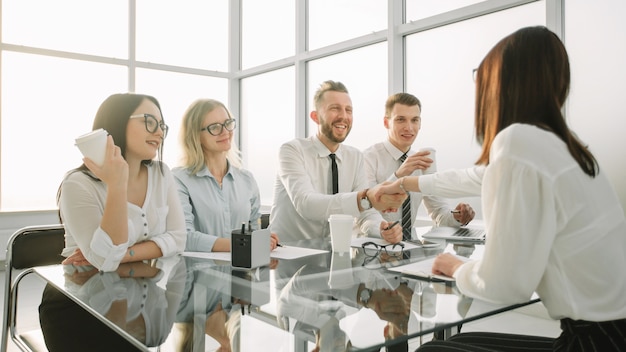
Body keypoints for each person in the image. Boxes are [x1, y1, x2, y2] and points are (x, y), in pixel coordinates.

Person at [375, 26, 626, 351]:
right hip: (611, 333)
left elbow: (506, 286)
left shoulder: (519, 140)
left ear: (502, 84)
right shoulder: (559, 146)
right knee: (462, 340)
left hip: (595, 343)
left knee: (433, 349)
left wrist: (459, 267)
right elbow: (478, 176)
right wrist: (405, 182)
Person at [41, 93, 187, 351]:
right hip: (76, 304)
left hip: (139, 286)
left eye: (162, 125)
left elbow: (178, 238)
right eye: (149, 121)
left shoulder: (162, 174)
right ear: (117, 122)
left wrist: (123, 254)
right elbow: (105, 261)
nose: (160, 132)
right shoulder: (78, 183)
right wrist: (117, 182)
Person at [269, 80, 406, 244]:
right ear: (315, 117)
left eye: (349, 110)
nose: (344, 116)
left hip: (336, 255)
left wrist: (381, 229)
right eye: (335, 109)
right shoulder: (292, 150)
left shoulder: (355, 156)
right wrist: (363, 199)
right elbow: (306, 204)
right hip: (287, 256)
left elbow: (365, 213)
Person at [363, 92, 475, 240]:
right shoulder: (367, 158)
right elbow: (365, 211)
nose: (409, 128)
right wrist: (399, 175)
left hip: (409, 249)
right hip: (372, 249)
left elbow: (439, 213)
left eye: (414, 120)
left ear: (420, 123)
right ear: (386, 123)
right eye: (401, 120)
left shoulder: (422, 161)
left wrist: (458, 216)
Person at [172, 99, 279, 252]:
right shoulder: (179, 179)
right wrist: (242, 244)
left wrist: (264, 239)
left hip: (242, 272)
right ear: (196, 135)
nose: (225, 132)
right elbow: (184, 237)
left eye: (227, 123)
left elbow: (254, 230)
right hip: (198, 273)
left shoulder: (247, 179)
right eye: (214, 127)